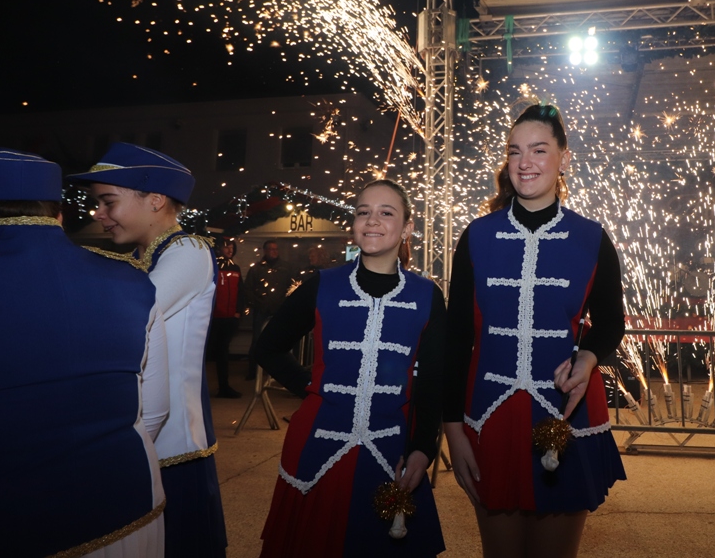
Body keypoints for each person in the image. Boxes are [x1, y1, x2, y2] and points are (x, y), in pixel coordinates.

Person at [443, 104, 627, 558]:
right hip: (488, 417)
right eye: (515, 151)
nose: (525, 162)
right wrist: (452, 429)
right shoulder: (476, 236)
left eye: (539, 150)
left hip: (566, 417)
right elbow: (456, 340)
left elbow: (611, 322)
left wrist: (588, 357)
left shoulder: (593, 238)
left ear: (564, 158)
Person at [0, 148, 169, 557]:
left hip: (2, 516)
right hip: (127, 504)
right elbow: (153, 408)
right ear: (58, 214)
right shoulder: (131, 279)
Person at [255, 179, 447, 558]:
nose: (372, 220)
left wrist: (424, 447)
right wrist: (313, 389)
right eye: (363, 212)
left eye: (386, 212)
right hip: (316, 448)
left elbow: (432, 382)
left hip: (391, 452)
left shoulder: (428, 295)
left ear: (407, 228)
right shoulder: (322, 284)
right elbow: (268, 347)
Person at [69, 142, 228, 558]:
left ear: (155, 200)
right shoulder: (143, 256)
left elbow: (128, 315)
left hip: (175, 448)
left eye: (108, 201)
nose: (98, 214)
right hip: (141, 438)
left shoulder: (189, 251)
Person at [242, 238, 293, 379]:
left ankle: (277, 371)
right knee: (257, 340)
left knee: (279, 341)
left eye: (276, 249)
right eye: (271, 249)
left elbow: (292, 287)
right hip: (262, 310)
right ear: (265, 251)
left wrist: (285, 304)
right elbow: (248, 288)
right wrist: (256, 303)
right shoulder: (256, 269)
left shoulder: (285, 268)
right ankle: (253, 371)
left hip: (279, 311)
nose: (274, 252)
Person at [210, 236, 244, 398]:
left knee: (223, 353)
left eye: (232, 247)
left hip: (230, 318)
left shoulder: (235, 268)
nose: (230, 250)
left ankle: (224, 386)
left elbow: (241, 292)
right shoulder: (212, 267)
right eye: (226, 247)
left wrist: (238, 312)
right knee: (211, 353)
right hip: (214, 318)